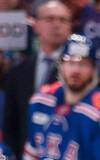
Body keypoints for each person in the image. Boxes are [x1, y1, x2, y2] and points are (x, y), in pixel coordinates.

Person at [2, 0, 73, 151]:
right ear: (35, 25)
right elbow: (11, 124)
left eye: (63, 20)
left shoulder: (79, 73)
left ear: (70, 27)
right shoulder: (17, 73)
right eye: (50, 19)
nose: (56, 25)